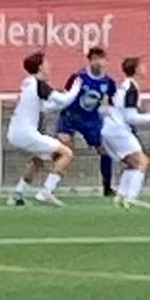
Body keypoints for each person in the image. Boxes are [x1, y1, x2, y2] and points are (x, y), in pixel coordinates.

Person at [6, 51, 81, 207]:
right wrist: (77, 86)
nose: (49, 65)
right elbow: (64, 100)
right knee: (66, 153)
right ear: (40, 67)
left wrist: (65, 96)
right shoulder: (38, 84)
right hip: (26, 133)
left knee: (39, 160)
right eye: (46, 63)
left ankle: (17, 194)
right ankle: (47, 191)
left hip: (16, 132)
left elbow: (47, 107)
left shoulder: (28, 83)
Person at [55, 46, 119, 197]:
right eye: (95, 59)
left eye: (101, 59)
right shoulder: (78, 77)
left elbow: (112, 101)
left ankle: (107, 187)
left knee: (105, 150)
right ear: (89, 61)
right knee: (64, 150)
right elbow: (66, 96)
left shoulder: (108, 82)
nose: (98, 62)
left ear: (106, 61)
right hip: (70, 117)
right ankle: (50, 185)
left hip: (91, 119)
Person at [101, 56, 150, 209]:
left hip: (111, 128)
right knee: (142, 162)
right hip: (118, 129)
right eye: (142, 66)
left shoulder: (124, 86)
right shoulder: (131, 88)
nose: (145, 69)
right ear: (136, 70)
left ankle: (121, 196)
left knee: (133, 164)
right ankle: (131, 197)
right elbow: (130, 117)